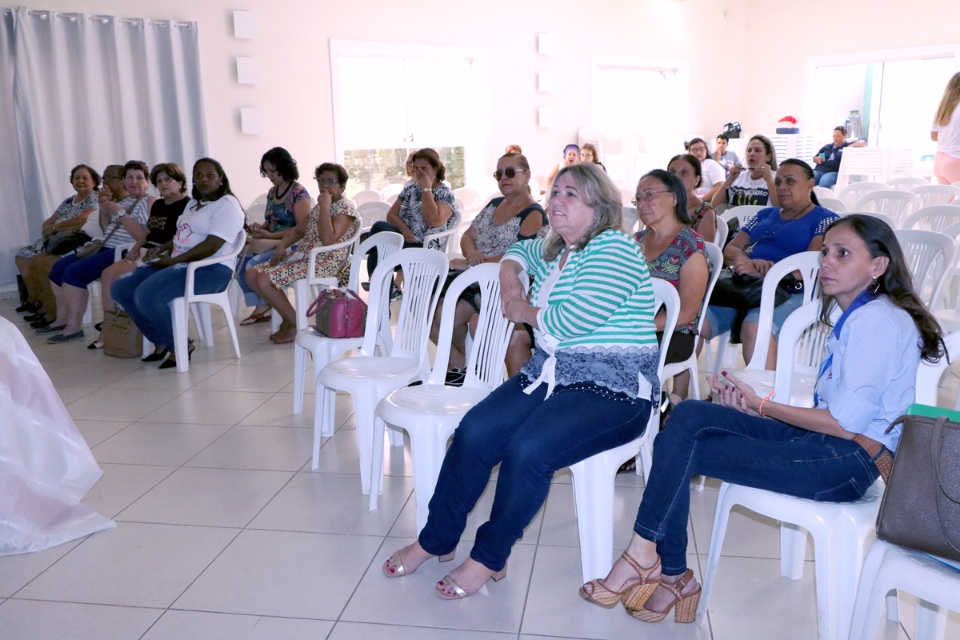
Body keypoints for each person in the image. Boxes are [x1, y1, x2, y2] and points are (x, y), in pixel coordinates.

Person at [580, 214, 943, 625]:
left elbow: (846, 424)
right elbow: (835, 405)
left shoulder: (877, 321)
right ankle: (665, 567)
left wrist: (763, 406)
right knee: (688, 417)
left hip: (847, 462)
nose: (826, 262)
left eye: (843, 254)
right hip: (824, 443)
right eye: (826, 252)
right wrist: (753, 404)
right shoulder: (857, 315)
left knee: (680, 447)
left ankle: (656, 563)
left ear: (878, 265)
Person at [381, 163, 659, 600]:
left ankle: (490, 557)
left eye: (571, 194)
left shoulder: (615, 249)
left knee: (527, 450)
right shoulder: (558, 247)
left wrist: (524, 311)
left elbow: (569, 322)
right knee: (474, 431)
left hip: (614, 387)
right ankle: (436, 540)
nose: (556, 201)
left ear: (599, 206)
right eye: (555, 193)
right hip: (552, 374)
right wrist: (512, 285)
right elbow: (517, 253)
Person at [702, 159, 839, 368]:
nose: (782, 187)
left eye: (790, 181)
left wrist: (765, 272)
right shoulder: (764, 214)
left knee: (755, 328)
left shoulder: (825, 219)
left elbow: (812, 265)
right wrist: (745, 261)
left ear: (810, 185)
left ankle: (762, 399)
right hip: (745, 288)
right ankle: (677, 393)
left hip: (792, 291)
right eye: (778, 182)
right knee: (692, 322)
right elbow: (730, 249)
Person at [111, 158, 245, 370]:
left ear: (220, 179)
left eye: (210, 175)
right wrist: (163, 248)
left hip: (209, 269)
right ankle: (162, 340)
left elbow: (211, 245)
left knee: (146, 295)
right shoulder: (193, 203)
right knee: (121, 288)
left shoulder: (227, 205)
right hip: (179, 262)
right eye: (199, 175)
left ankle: (179, 345)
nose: (204, 179)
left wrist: (173, 260)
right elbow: (182, 235)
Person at [428, 153, 545, 382]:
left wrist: (473, 264)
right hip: (475, 280)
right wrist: (471, 254)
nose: (504, 178)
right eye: (499, 174)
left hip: (505, 287)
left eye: (510, 172)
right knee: (430, 310)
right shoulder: (493, 205)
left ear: (527, 175)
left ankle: (480, 373)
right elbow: (467, 236)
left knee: (449, 315)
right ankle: (464, 364)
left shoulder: (533, 214)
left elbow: (519, 257)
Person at [244, 162, 360, 345]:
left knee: (264, 279)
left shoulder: (344, 209)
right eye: (321, 180)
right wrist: (282, 245)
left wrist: (324, 207)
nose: (325, 186)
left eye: (331, 181)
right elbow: (298, 230)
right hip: (302, 258)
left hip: (324, 263)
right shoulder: (321, 207)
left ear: (342, 186)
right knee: (251, 275)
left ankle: (296, 324)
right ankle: (289, 318)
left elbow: (328, 239)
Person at [40, 161, 152, 343]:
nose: (133, 182)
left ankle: (74, 327)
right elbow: (106, 229)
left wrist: (119, 211)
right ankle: (62, 319)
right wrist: (104, 209)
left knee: (73, 273)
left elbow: (142, 235)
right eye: (129, 177)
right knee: (58, 268)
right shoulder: (123, 201)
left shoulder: (147, 202)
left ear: (146, 181)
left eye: (138, 178)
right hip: (105, 245)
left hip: (122, 250)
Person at [91, 163, 190, 352]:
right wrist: (136, 248)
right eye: (159, 181)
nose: (163, 184)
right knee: (120, 290)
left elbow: (184, 238)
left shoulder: (187, 206)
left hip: (166, 258)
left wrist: (159, 251)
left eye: (168, 180)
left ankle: (174, 343)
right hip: (145, 255)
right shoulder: (159, 205)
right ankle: (158, 339)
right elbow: (148, 232)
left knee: (137, 291)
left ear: (179, 182)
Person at [633, 169, 709, 403]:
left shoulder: (690, 247)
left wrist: (637, 326)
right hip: (635, 325)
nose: (642, 203)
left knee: (614, 355)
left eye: (649, 195)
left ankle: (643, 412)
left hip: (673, 333)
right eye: (638, 198)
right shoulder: (635, 241)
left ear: (674, 198)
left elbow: (686, 314)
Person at [15, 165, 100, 319]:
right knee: (22, 256)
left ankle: (50, 307)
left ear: (93, 182)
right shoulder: (68, 201)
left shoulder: (94, 197)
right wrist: (48, 228)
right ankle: (35, 299)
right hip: (55, 237)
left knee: (40, 260)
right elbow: (50, 220)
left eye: (84, 178)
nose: (80, 181)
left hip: (71, 240)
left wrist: (55, 227)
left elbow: (83, 218)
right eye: (76, 178)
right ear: (72, 181)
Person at [239, 147, 312, 326]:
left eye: (273, 171)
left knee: (251, 265)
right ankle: (263, 305)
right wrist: (260, 228)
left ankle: (270, 306)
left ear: (284, 168)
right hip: (272, 241)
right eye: (267, 171)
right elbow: (270, 221)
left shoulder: (299, 193)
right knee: (241, 261)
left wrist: (270, 235)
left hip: (291, 244)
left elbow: (301, 230)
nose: (270, 175)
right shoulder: (273, 192)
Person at [365, 148, 459, 281]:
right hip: (405, 240)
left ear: (435, 170)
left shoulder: (444, 193)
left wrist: (426, 189)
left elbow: (433, 220)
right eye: (416, 168)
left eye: (424, 168)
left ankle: (376, 281)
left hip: (426, 247)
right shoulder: (410, 189)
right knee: (379, 228)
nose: (418, 172)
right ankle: (380, 283)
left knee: (378, 247)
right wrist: (405, 230)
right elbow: (391, 214)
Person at [711, 134, 778, 209]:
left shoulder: (777, 177)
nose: (751, 154)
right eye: (749, 150)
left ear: (768, 157)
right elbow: (714, 205)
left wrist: (769, 180)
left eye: (757, 150)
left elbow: (781, 210)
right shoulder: (739, 177)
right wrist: (730, 179)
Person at [667, 153, 717, 243]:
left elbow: (704, 251)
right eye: (672, 172)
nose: (676, 177)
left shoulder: (705, 212)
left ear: (696, 180)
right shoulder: (661, 206)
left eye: (684, 173)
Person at [932, 72, 960, 185]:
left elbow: (933, 136)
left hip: (939, 161)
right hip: (955, 159)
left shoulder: (943, 108)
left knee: (945, 201)